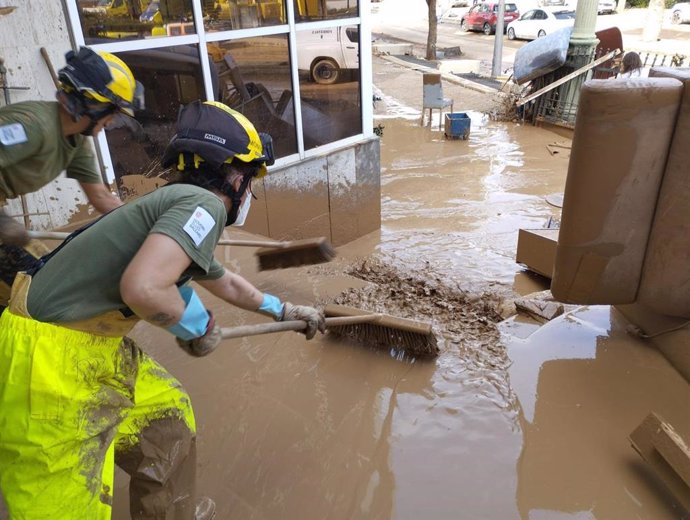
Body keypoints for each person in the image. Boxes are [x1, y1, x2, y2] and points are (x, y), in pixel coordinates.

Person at [0, 100, 326, 520]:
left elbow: (223, 281)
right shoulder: (203, 207)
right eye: (252, 179)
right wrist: (197, 325)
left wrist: (284, 310)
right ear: (233, 174)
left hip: (91, 345)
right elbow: (145, 288)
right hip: (46, 362)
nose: (252, 193)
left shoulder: (177, 204)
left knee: (167, 421)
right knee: (60, 506)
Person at [0, 46, 138, 306]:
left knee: (42, 279)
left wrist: (142, 226)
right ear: (94, 104)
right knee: (36, 296)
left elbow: (100, 196)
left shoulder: (75, 141)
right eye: (114, 113)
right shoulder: (32, 126)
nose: (111, 123)